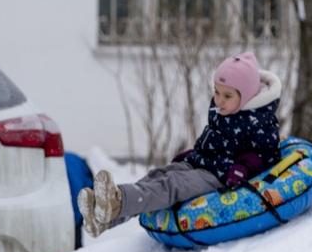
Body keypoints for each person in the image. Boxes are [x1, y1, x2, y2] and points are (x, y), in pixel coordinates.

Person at [79, 51, 282, 238]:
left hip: (220, 175)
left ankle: (119, 201)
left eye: (227, 96)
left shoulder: (258, 122)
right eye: (217, 92)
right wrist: (189, 155)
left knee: (171, 185)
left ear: (246, 95)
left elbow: (264, 153)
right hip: (201, 163)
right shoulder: (226, 110)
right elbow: (214, 143)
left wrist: (242, 168)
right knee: (158, 175)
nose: (219, 100)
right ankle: (106, 217)